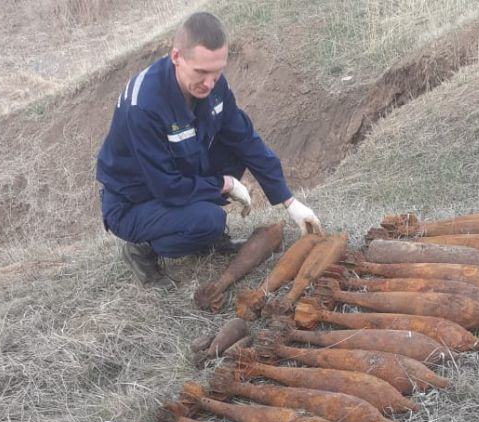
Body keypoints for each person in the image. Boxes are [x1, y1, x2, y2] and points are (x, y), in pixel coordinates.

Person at [96, 11, 321, 288]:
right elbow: (166, 187)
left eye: (217, 72)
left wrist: (288, 201)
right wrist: (224, 184)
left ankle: (200, 231)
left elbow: (245, 138)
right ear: (177, 57)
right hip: (134, 201)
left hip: (178, 173)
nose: (210, 83)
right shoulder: (144, 106)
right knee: (210, 220)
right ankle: (142, 248)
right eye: (201, 72)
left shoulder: (212, 85)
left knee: (234, 149)